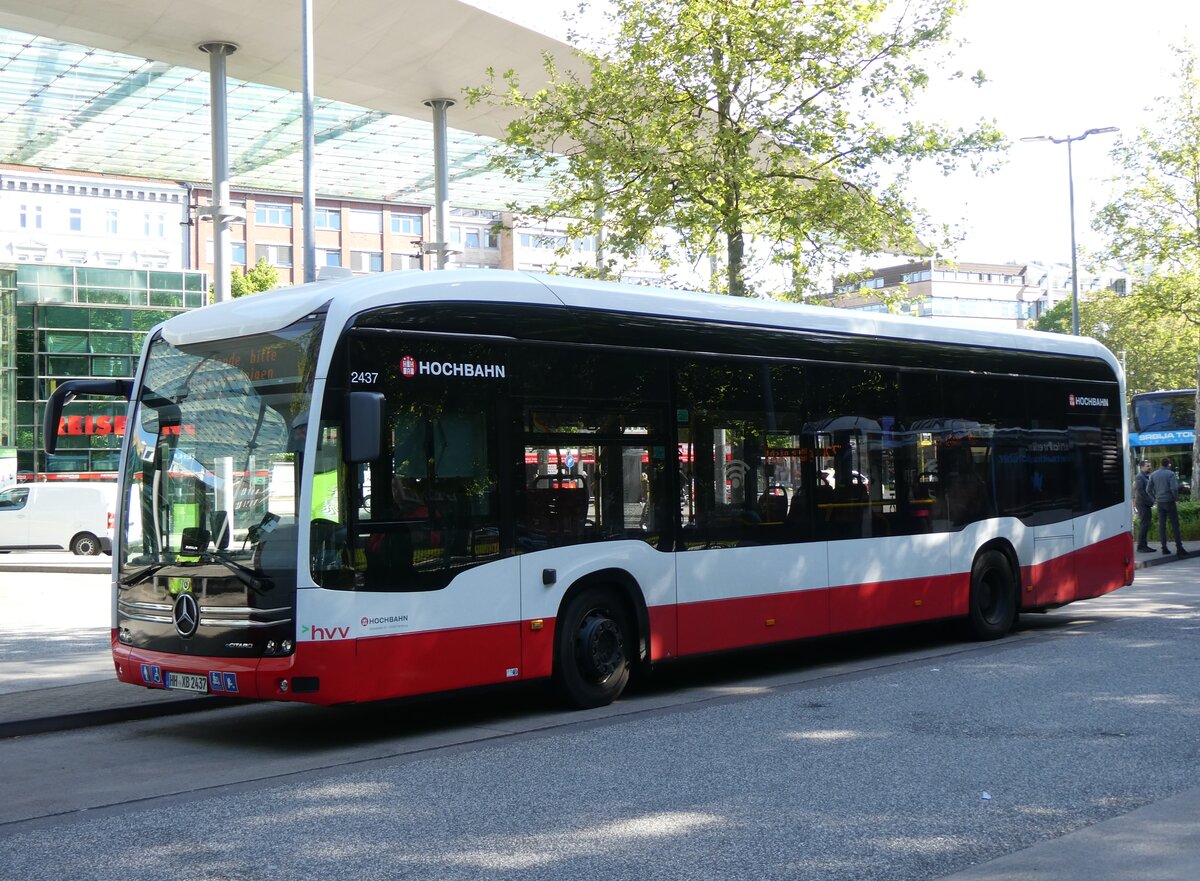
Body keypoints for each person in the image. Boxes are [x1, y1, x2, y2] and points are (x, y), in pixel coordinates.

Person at [1147, 458, 1187, 556]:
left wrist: (1155, 498)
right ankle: (1179, 548)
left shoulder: (1153, 474)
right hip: (1170, 502)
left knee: (1162, 526)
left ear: (1161, 464)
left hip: (1160, 502)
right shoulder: (1170, 474)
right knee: (1175, 526)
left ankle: (1164, 548)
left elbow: (1148, 489)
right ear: (1168, 464)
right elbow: (1173, 488)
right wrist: (1176, 498)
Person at [1134, 459, 1155, 552]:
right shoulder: (1140, 477)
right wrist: (1150, 501)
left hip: (1145, 504)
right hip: (1142, 504)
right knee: (1144, 524)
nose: (1149, 467)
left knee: (1146, 524)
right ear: (1142, 467)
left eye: (1150, 465)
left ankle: (1144, 545)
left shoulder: (1146, 476)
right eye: (1147, 466)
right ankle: (1141, 546)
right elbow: (1140, 491)